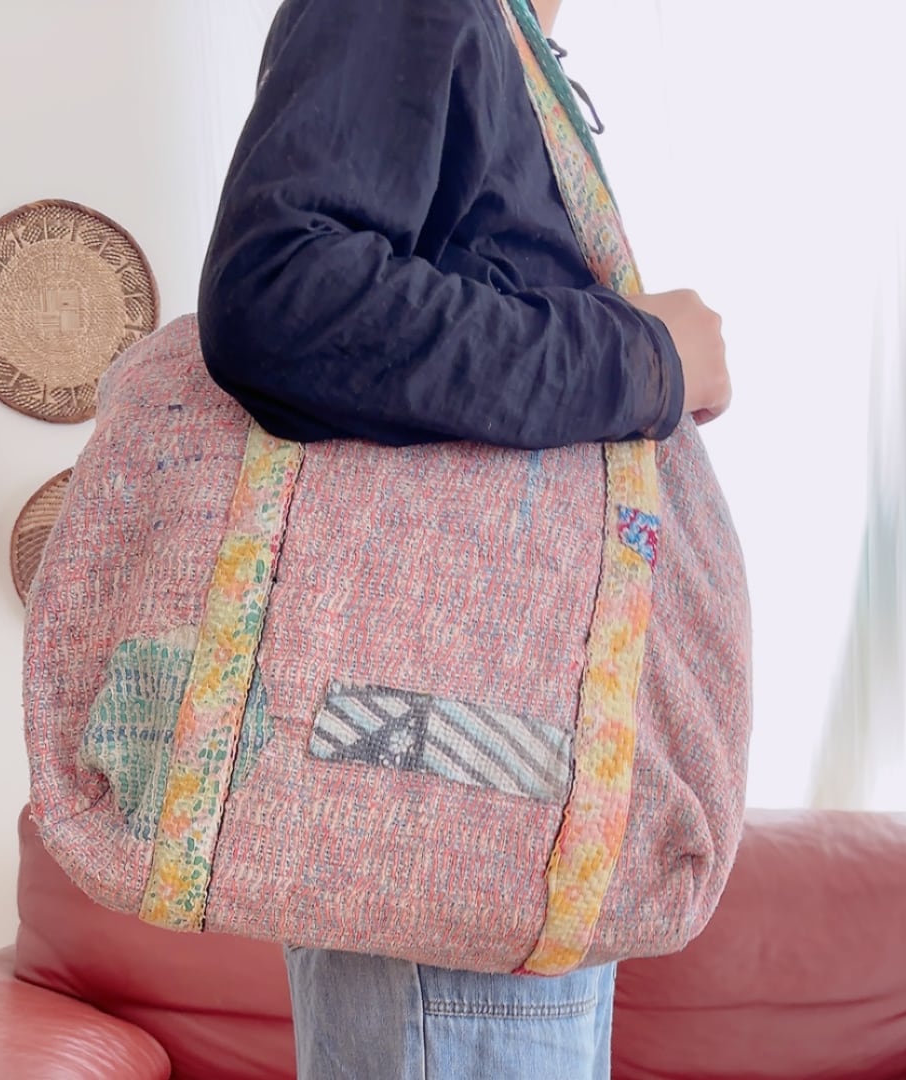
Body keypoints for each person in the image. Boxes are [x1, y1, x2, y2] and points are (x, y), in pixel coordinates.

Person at [197, 0, 731, 1075]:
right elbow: (281, 295)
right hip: (457, 817)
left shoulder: (501, 36)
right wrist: (644, 357)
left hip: (498, 802)